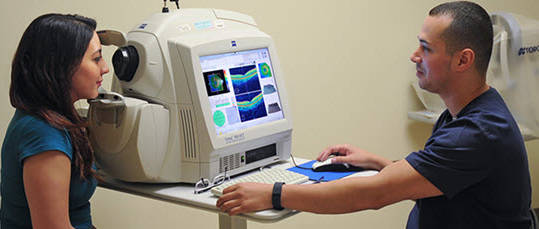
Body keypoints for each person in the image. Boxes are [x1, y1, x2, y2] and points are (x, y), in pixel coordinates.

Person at [216, 1, 533, 228]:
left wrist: (275, 194)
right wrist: (379, 162)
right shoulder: (467, 112)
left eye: (427, 48)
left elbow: (375, 194)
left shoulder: (477, 133)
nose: (414, 56)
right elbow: (434, 177)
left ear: (463, 60)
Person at [0, 13, 109, 228]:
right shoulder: (42, 132)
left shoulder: (54, 120)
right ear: (63, 67)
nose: (104, 67)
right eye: (96, 58)